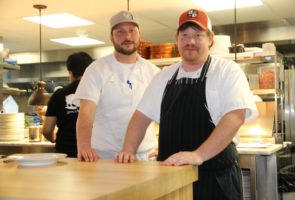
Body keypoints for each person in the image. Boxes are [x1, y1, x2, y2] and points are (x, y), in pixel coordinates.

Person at [115, 8, 258, 200]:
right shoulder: (164, 76)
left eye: (198, 35)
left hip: (215, 178)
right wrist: (128, 150)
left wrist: (198, 155)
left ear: (210, 39)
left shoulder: (227, 71)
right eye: (185, 35)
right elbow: (140, 117)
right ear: (177, 39)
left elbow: (234, 116)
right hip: (171, 180)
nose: (190, 41)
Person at [74, 10, 160, 162]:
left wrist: (167, 145)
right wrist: (83, 146)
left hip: (146, 157)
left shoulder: (153, 72)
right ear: (111, 37)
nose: (127, 37)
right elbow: (86, 113)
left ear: (139, 34)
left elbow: (165, 113)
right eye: (120, 32)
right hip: (105, 158)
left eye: (132, 31)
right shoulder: (96, 69)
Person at [42, 52, 93, 157]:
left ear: (70, 72)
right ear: (90, 71)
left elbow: (47, 130)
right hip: (92, 154)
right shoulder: (98, 92)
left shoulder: (58, 95)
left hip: (64, 153)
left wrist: (53, 139)